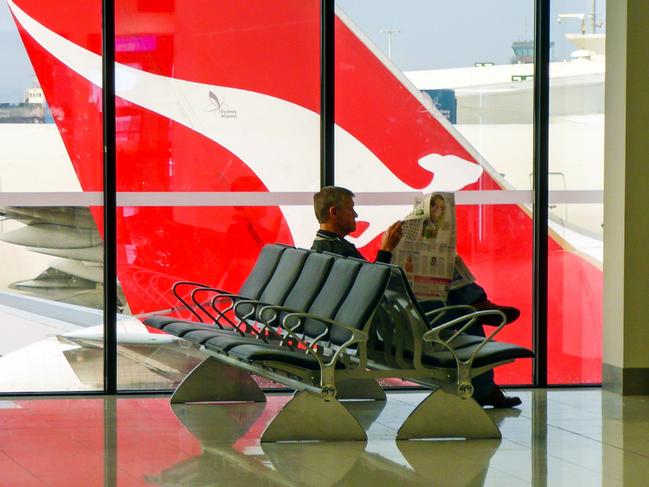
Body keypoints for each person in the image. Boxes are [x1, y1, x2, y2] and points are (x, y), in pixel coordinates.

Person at [311, 186, 521, 408]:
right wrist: (386, 250)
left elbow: (365, 287)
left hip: (380, 321)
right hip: (390, 329)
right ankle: (485, 384)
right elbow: (370, 290)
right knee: (468, 318)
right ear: (333, 212)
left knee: (446, 280)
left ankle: (477, 306)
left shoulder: (325, 249)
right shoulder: (335, 253)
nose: (355, 215)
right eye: (351, 209)